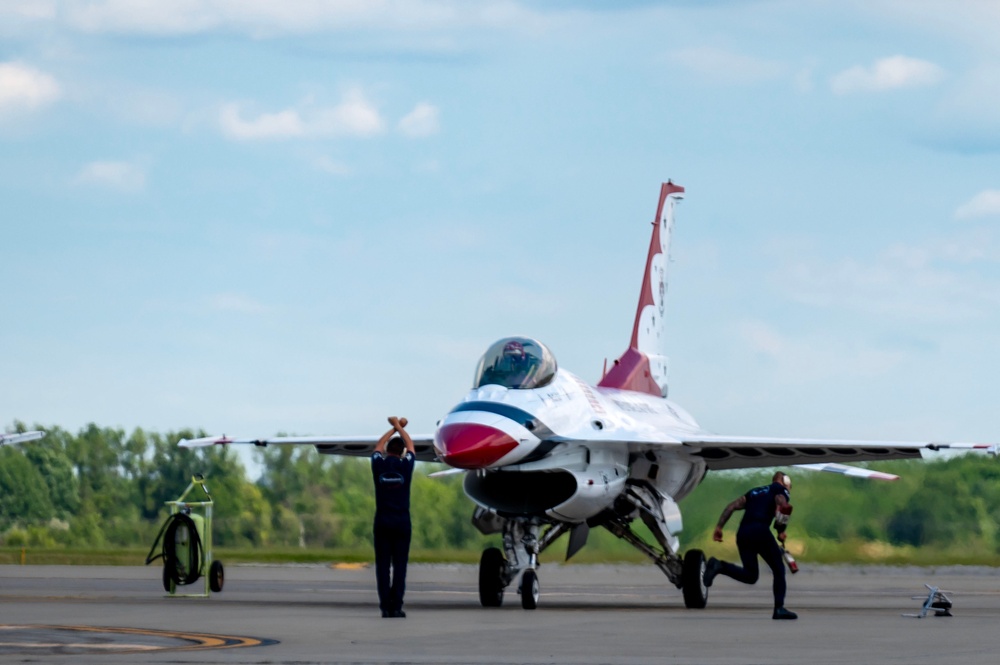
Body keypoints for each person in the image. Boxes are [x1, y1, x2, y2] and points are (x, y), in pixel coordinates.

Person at [703, 471, 798, 620]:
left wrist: (719, 527)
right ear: (785, 481)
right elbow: (784, 507)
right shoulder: (781, 490)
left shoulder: (755, 492)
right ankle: (779, 608)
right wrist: (780, 530)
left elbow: (731, 506)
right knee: (779, 569)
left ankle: (719, 566)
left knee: (750, 575)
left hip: (743, 533)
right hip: (760, 531)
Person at [371, 415, 416, 618]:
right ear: (402, 452)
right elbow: (411, 446)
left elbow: (377, 446)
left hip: (382, 521)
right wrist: (400, 427)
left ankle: (385, 607)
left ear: (388, 450)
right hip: (401, 522)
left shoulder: (378, 464)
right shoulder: (406, 466)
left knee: (382, 567)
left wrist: (393, 429)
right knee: (399, 567)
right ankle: (396, 606)